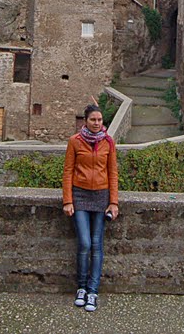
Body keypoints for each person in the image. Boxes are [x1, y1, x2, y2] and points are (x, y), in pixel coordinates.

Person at [62, 104, 119, 312]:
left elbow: (113, 173)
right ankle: (82, 287)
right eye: (93, 120)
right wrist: (67, 200)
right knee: (84, 243)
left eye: (100, 120)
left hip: (101, 197)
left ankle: (93, 291)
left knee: (97, 244)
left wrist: (114, 202)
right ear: (85, 121)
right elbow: (68, 171)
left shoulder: (108, 142)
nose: (97, 123)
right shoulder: (74, 142)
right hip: (80, 195)